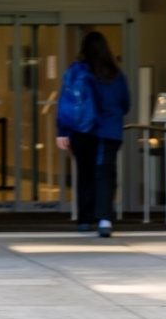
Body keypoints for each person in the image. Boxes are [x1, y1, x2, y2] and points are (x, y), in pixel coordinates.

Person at [56, 31, 132, 237]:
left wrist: (62, 131)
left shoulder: (76, 72)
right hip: (109, 132)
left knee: (85, 173)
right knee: (105, 174)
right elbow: (126, 104)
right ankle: (104, 220)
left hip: (82, 131)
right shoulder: (115, 75)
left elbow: (66, 103)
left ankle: (84, 219)